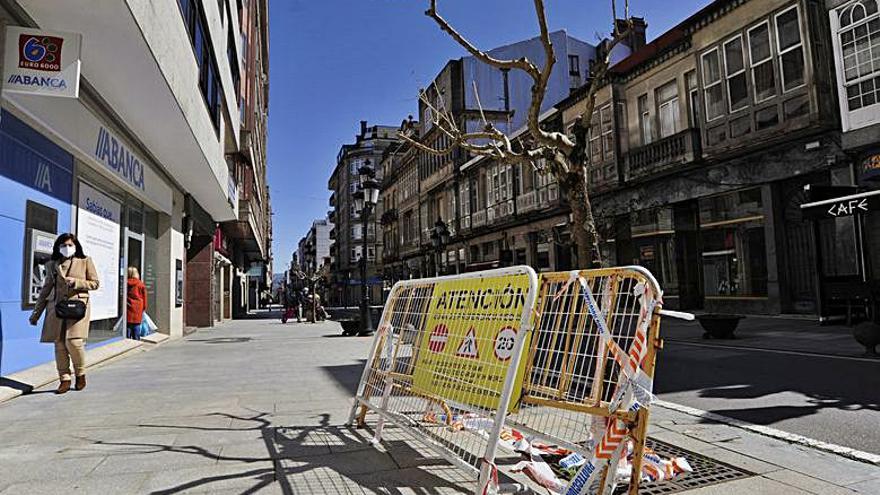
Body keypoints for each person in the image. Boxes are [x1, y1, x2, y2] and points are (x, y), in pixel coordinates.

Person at [29, 233, 99, 394]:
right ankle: (64, 379)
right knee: (59, 344)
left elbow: (95, 283)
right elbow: (45, 290)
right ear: (58, 247)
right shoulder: (52, 264)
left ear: (75, 246)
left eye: (69, 245)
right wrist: (36, 314)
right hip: (57, 308)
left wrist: (77, 282)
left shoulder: (85, 261)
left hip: (77, 307)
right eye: (63, 245)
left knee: (74, 342)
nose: (66, 248)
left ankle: (80, 373)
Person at [126, 267, 148, 340]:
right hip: (138, 308)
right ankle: (136, 340)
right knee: (136, 325)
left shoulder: (126, 283)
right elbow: (144, 298)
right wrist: (144, 308)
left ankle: (127, 340)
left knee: (128, 326)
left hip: (128, 307)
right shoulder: (140, 284)